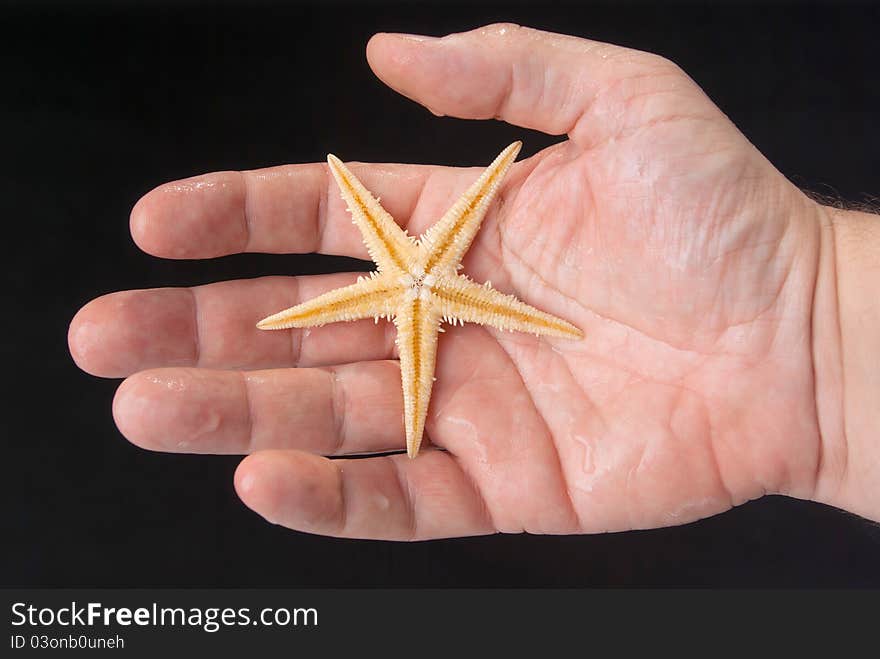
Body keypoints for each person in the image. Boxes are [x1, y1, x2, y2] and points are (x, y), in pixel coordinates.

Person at [67, 24, 878, 540]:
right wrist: (818, 334)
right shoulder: (415, 271)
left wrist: (811, 307)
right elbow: (377, 224)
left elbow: (468, 203)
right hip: (419, 283)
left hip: (424, 283)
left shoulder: (431, 267)